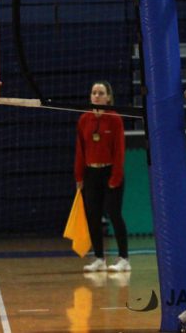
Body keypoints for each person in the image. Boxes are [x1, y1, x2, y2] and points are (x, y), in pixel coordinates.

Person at [74, 81, 129, 273]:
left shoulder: (114, 119)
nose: (96, 96)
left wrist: (116, 176)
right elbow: (80, 151)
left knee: (114, 214)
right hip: (91, 174)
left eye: (101, 93)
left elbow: (119, 150)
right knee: (93, 217)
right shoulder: (84, 119)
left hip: (110, 172)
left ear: (108, 97)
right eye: (94, 92)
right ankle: (99, 258)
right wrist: (79, 176)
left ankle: (124, 258)